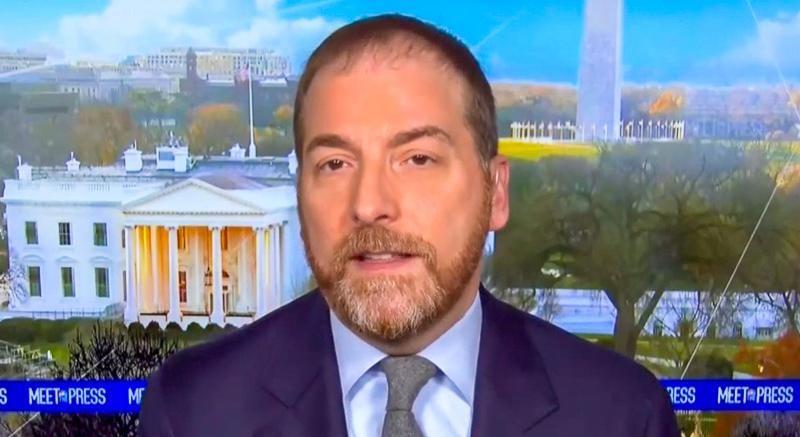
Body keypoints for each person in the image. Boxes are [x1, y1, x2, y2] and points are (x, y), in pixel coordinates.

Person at [137, 13, 680, 437]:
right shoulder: (192, 412)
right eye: (335, 164)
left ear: (495, 192)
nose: (369, 203)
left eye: (417, 159)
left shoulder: (621, 417)